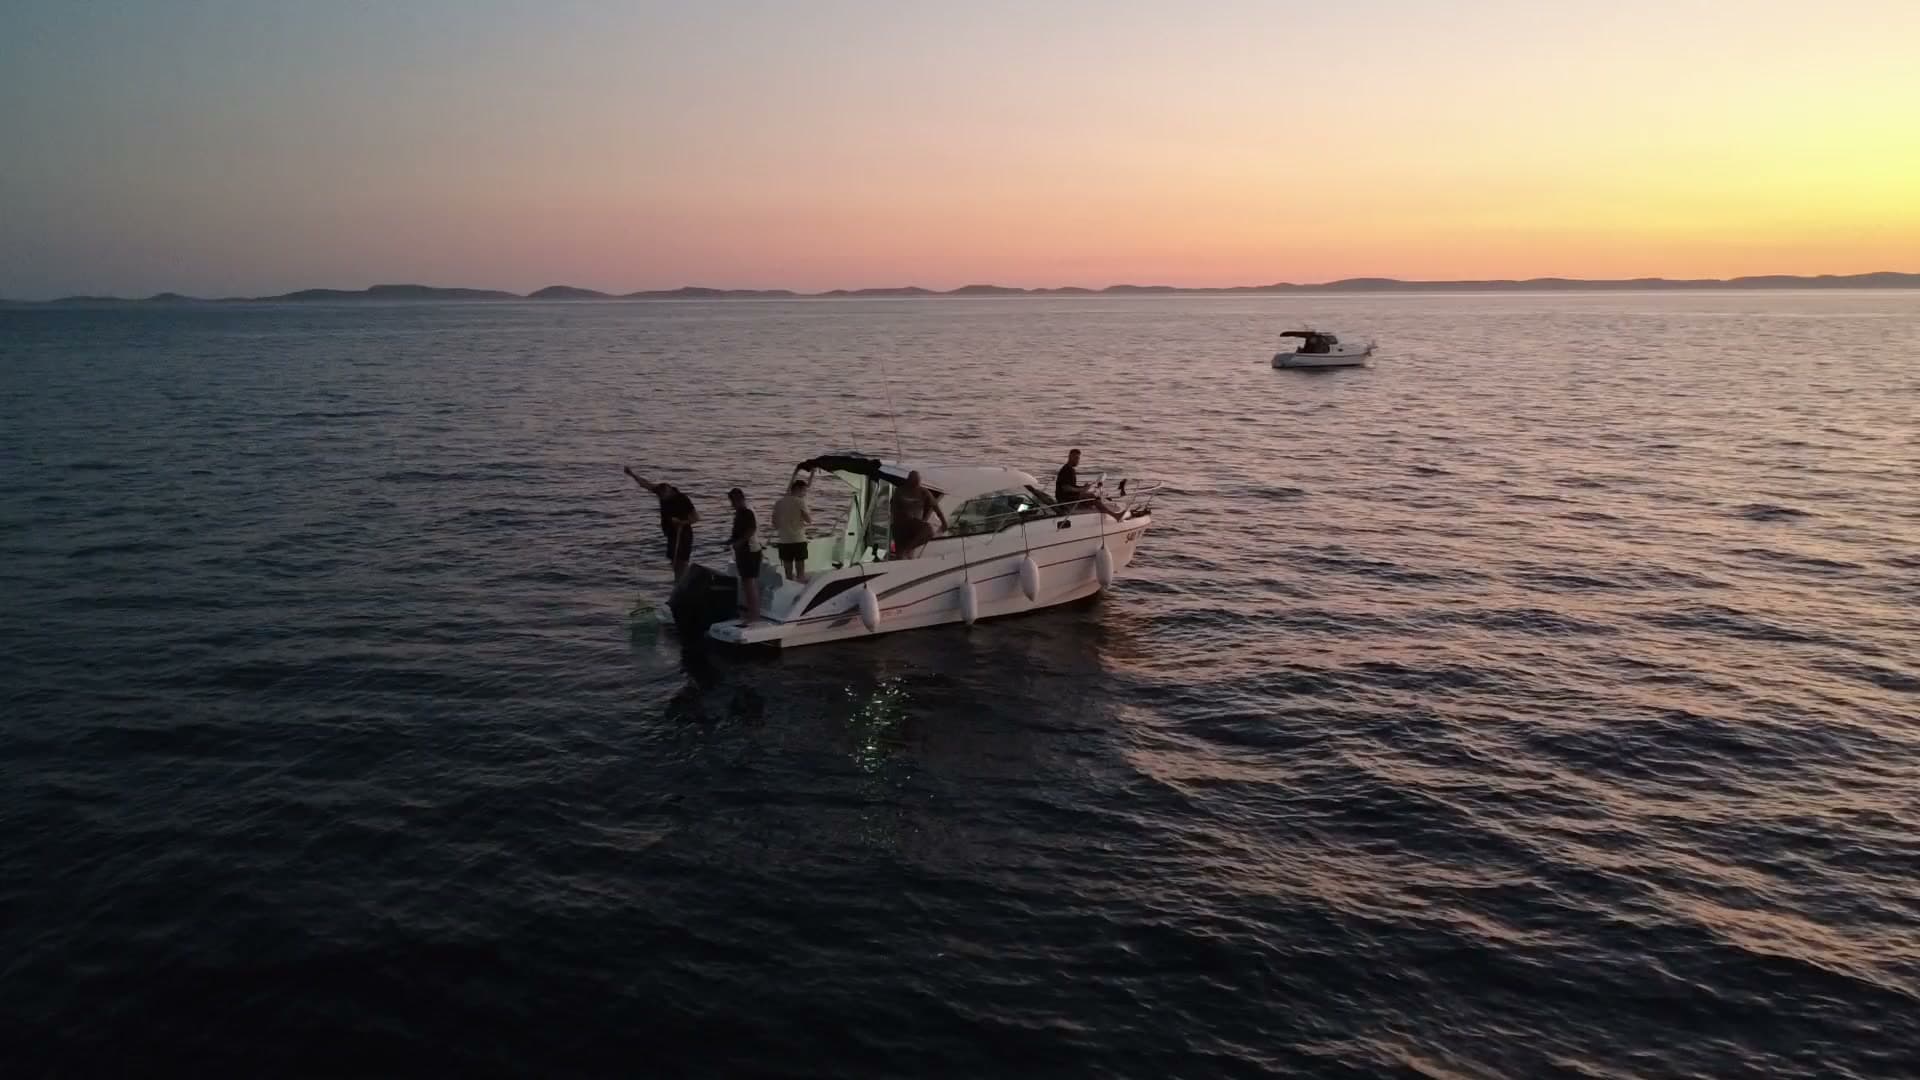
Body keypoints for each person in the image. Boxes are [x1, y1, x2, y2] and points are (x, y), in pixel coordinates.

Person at [625, 466, 698, 579]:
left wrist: (682, 522)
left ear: (669, 492)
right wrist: (632, 474)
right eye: (660, 497)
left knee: (682, 562)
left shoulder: (682, 499)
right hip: (671, 533)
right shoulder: (661, 492)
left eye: (663, 497)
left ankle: (682, 583)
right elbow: (646, 484)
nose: (662, 500)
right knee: (673, 561)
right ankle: (678, 581)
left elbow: (696, 517)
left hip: (683, 533)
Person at [889, 470, 947, 559]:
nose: (915, 485)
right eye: (913, 482)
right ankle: (903, 555)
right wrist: (897, 518)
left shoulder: (923, 491)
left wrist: (944, 522)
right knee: (900, 554)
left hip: (915, 524)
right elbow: (892, 507)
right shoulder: (899, 491)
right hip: (901, 525)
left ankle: (908, 549)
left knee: (928, 530)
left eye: (917, 482)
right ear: (908, 480)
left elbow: (936, 507)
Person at [725, 487, 762, 625]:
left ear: (740, 499)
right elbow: (738, 533)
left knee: (749, 582)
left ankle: (754, 615)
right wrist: (730, 541)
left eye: (733, 501)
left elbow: (751, 529)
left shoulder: (747, 512)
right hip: (743, 552)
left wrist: (739, 542)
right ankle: (751, 612)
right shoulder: (739, 513)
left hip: (751, 552)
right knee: (747, 583)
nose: (732, 504)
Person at [1055, 449, 1124, 521]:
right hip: (1065, 499)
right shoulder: (1066, 470)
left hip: (1068, 496)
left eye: (1078, 458)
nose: (1078, 460)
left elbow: (1071, 486)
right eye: (1076, 458)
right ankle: (1115, 516)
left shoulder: (1070, 469)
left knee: (1090, 494)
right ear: (1070, 457)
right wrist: (1081, 490)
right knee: (1092, 497)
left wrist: (1083, 487)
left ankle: (1096, 509)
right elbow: (1066, 488)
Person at [771, 478, 813, 583]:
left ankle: (789, 588)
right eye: (804, 491)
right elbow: (809, 520)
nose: (804, 494)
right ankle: (800, 589)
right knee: (800, 574)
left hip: (784, 541)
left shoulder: (779, 503)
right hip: (798, 539)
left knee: (788, 575)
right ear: (798, 489)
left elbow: (775, 524)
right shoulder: (800, 502)